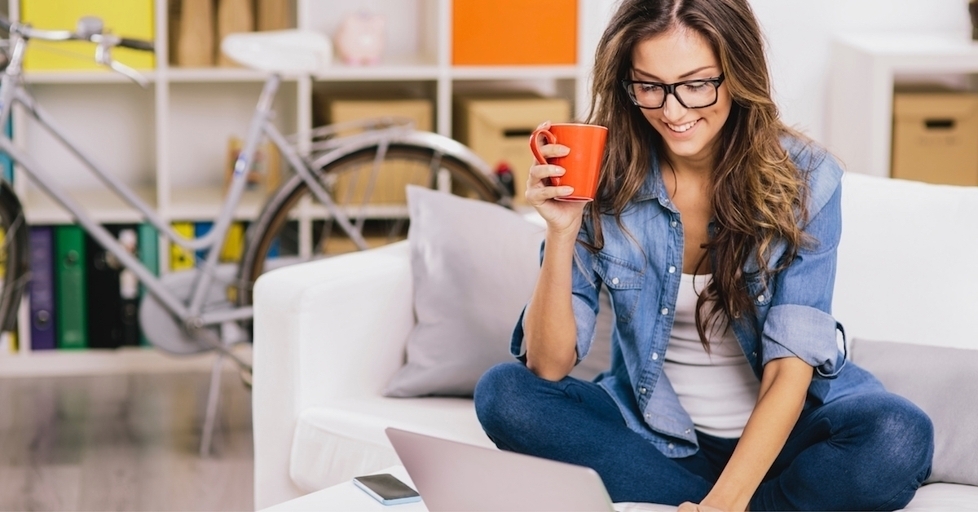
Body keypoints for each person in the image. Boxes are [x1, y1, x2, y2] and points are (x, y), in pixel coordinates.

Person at [473, 0, 934, 510]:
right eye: (649, 86)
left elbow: (789, 369)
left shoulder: (807, 179)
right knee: (504, 394)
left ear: (737, 72)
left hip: (786, 437)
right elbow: (548, 365)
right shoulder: (602, 178)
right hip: (658, 439)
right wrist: (561, 232)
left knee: (898, 436)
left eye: (696, 84)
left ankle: (722, 500)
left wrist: (725, 502)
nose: (673, 112)